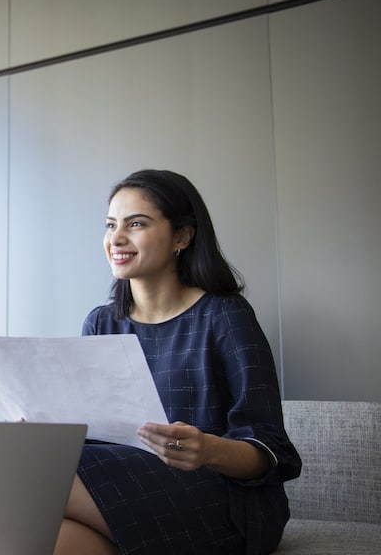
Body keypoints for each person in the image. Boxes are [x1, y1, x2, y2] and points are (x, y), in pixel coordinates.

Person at [56, 169, 301, 555]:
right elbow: (96, 436)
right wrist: (46, 428)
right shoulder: (101, 323)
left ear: (182, 237)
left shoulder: (225, 316)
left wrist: (208, 449)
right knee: (49, 536)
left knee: (38, 478)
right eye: (110, 225)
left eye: (136, 224)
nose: (116, 239)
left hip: (226, 501)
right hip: (126, 489)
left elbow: (273, 454)